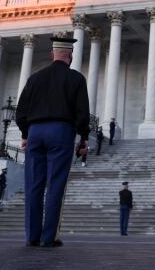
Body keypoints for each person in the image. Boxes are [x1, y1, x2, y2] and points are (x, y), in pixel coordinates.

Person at [16, 36, 90, 248]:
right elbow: (82, 113)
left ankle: (32, 236)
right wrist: (83, 138)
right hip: (61, 131)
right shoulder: (76, 79)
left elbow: (20, 112)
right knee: (55, 184)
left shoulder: (34, 79)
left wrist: (25, 133)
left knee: (33, 185)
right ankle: (49, 237)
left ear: (52, 55)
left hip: (35, 132)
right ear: (70, 56)